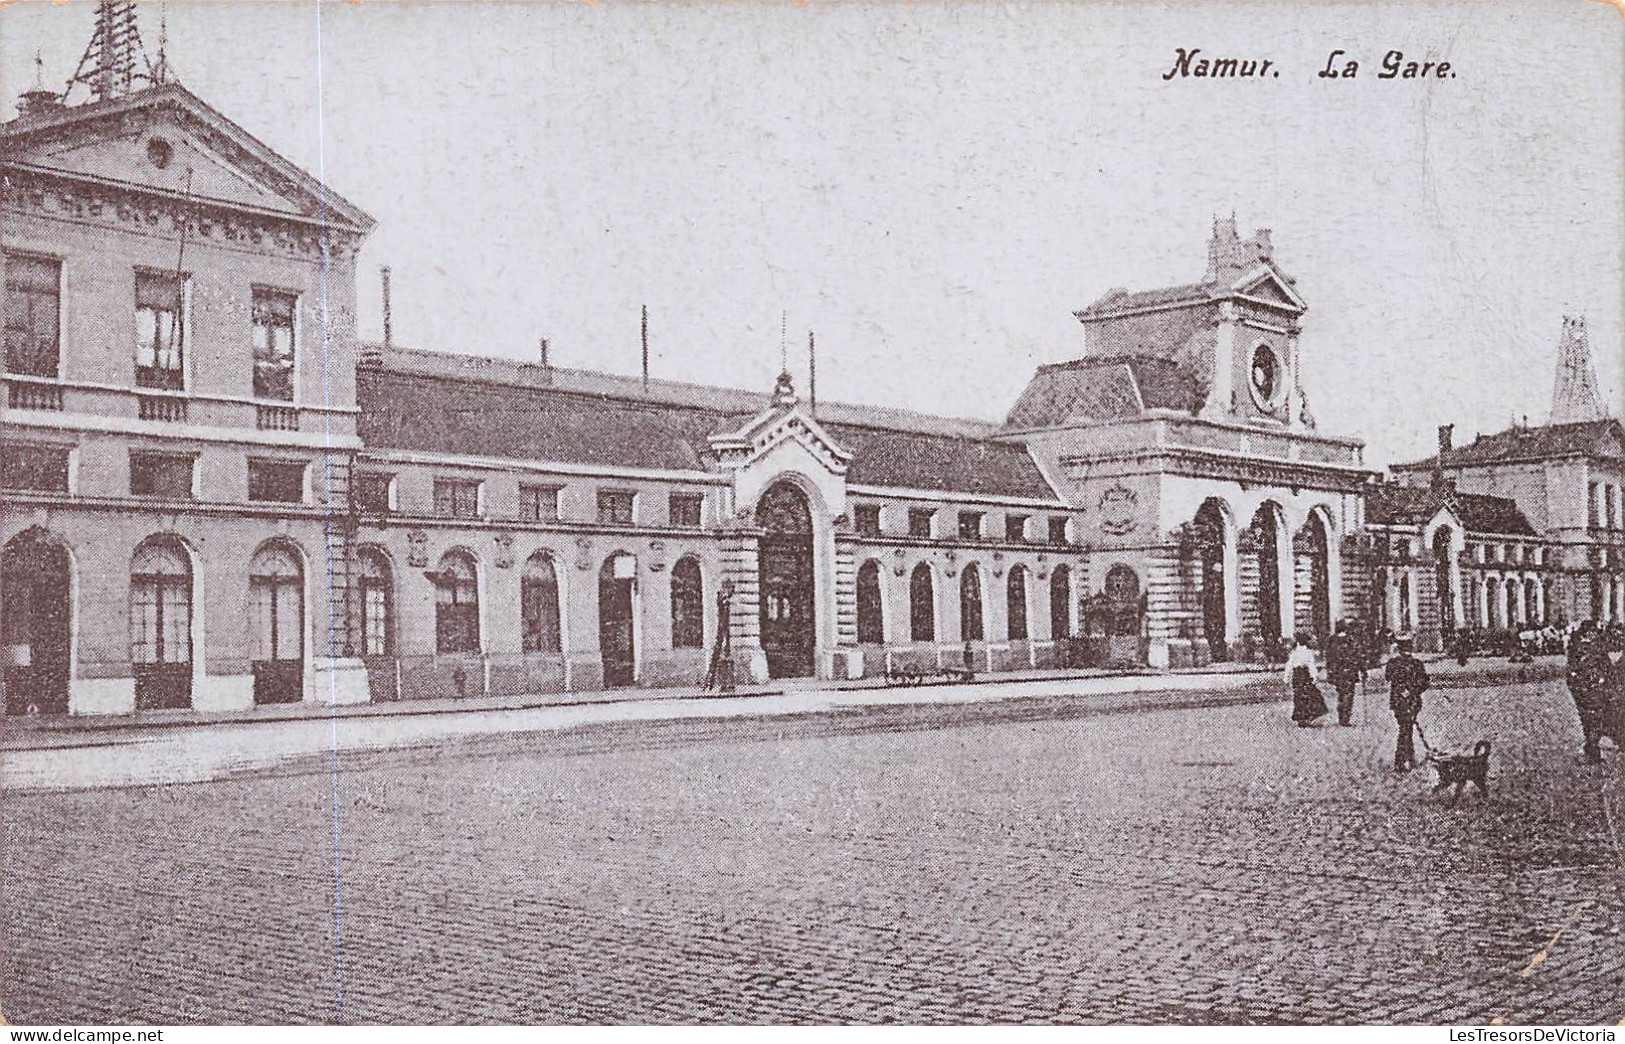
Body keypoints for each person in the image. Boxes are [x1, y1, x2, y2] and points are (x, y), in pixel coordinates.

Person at [1566, 619, 1611, 763]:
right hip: (1586, 690)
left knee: (1593, 720)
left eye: (1594, 632)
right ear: (1585, 633)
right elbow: (1571, 670)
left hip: (1594, 690)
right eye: (1590, 632)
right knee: (1590, 720)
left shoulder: (1596, 648)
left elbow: (1607, 666)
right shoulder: (1579, 649)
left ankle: (1592, 750)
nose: (1592, 635)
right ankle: (1591, 749)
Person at [1384, 635, 1430, 773]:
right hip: (1412, 702)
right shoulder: (1417, 664)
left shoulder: (1393, 663)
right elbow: (1424, 683)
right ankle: (1402, 760)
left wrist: (1405, 691)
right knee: (1406, 729)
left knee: (1405, 728)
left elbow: (1388, 677)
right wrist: (1412, 691)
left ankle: (1407, 758)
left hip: (1399, 702)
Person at [1284, 632, 1329, 727]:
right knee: (1310, 695)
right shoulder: (1308, 652)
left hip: (1296, 676)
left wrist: (1286, 678)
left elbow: (1289, 666)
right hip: (1305, 675)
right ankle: (1308, 716)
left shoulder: (1294, 653)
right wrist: (1315, 677)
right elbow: (1311, 666)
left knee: (1298, 696)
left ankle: (1301, 718)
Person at [1324, 619, 1362, 727]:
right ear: (1346, 628)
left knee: (1341, 693)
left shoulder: (1331, 640)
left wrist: (1329, 671)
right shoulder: (1350, 640)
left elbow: (1328, 657)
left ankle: (1341, 715)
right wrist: (1362, 670)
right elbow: (1357, 655)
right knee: (1348, 694)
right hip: (1349, 671)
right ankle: (1345, 718)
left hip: (1337, 671)